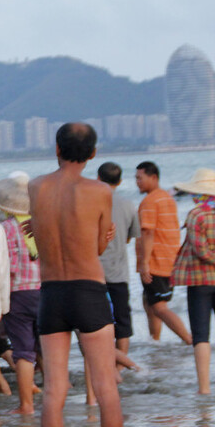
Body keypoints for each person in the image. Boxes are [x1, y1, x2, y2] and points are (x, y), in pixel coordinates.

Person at [29, 122, 124, 427]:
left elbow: (43, 234)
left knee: (54, 390)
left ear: (57, 148)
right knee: (105, 387)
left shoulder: (36, 187)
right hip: (88, 291)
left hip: (52, 293)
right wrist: (106, 235)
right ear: (93, 154)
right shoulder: (100, 190)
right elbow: (97, 247)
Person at [170, 169, 215, 394]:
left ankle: (204, 389)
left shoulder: (196, 215)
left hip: (200, 282)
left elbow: (200, 250)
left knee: (201, 336)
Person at [0, 174, 42, 414]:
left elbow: (8, 267)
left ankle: (26, 405)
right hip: (45, 292)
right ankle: (55, 396)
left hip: (18, 293)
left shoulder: (6, 228)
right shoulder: (42, 223)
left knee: (23, 351)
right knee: (48, 347)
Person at [93, 161, 141, 404]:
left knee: (97, 323)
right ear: (120, 181)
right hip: (119, 272)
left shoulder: (91, 203)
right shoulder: (129, 205)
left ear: (97, 179)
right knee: (122, 322)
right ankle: (120, 367)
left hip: (94, 272)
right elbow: (132, 237)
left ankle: (109, 367)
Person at [135, 160, 192, 344]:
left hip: (156, 261)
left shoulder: (150, 201)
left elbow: (148, 232)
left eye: (140, 178)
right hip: (170, 258)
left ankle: (190, 341)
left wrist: (144, 263)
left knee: (159, 307)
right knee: (149, 302)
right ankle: (155, 342)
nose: (137, 182)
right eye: (136, 178)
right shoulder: (167, 198)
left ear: (153, 177)